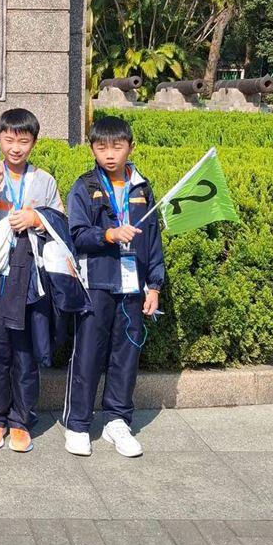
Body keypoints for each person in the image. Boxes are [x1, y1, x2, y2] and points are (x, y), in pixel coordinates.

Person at [63, 115, 165, 458]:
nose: (109, 154)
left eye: (117, 147)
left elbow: (153, 241)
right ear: (92, 148)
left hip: (133, 287)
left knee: (126, 354)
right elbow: (76, 235)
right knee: (88, 355)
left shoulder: (142, 189)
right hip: (96, 284)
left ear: (130, 148)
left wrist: (154, 286)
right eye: (101, 147)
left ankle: (117, 420)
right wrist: (108, 234)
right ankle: (78, 424)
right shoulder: (85, 186)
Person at [0, 108, 63, 452]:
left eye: (23, 140)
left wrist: (36, 218)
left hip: (29, 277)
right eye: (9, 139)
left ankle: (21, 419)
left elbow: (60, 224)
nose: (16, 147)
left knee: (24, 350)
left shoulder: (45, 180)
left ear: (34, 142)